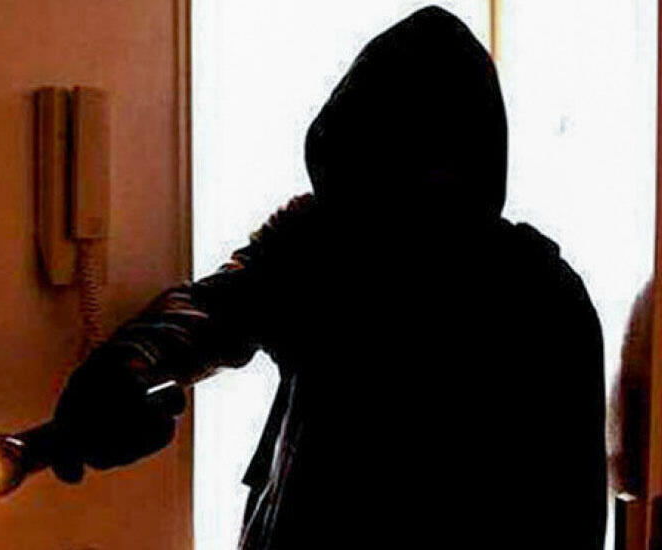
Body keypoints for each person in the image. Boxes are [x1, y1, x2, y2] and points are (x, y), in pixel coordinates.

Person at [51, 6, 606, 548]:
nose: (375, 229)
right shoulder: (320, 240)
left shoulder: (539, 299)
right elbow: (215, 308)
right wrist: (130, 363)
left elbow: (565, 517)